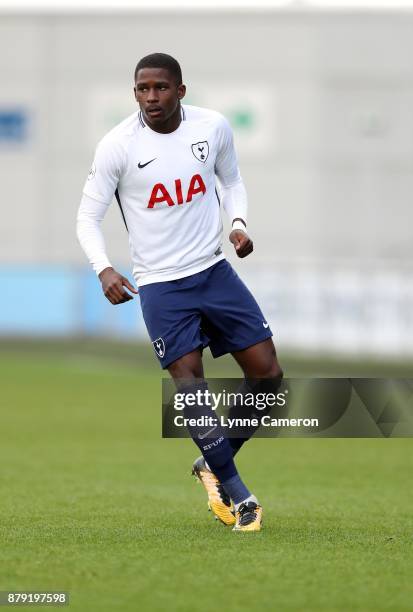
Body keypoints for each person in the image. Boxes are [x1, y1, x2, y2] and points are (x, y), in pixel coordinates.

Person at [77, 52, 283, 532]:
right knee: (191, 388)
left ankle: (213, 460)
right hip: (160, 285)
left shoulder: (212, 128)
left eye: (161, 88)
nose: (151, 97)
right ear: (135, 94)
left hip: (213, 272)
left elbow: (231, 181)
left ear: (180, 90)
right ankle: (239, 495)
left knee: (269, 377)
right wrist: (104, 268)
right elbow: (87, 217)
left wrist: (237, 224)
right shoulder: (117, 146)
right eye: (143, 89)